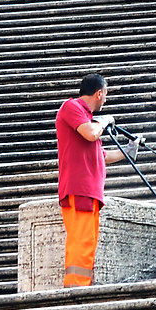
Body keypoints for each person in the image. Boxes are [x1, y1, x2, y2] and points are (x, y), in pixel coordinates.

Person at [54, 74, 111, 288]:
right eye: (105, 95)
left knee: (88, 242)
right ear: (99, 93)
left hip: (90, 191)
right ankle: (76, 289)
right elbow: (91, 134)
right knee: (81, 242)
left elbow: (101, 155)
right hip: (80, 189)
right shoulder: (72, 107)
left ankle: (81, 286)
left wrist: (129, 151)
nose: (105, 100)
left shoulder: (86, 119)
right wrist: (102, 122)